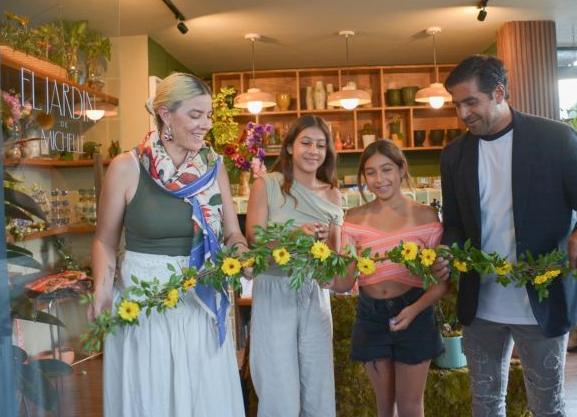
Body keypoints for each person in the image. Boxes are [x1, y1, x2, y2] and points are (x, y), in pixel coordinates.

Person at [434, 55, 577, 417]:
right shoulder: (453, 156)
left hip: (541, 303)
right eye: (456, 105)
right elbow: (453, 224)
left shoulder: (555, 138)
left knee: (547, 407)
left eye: (471, 102)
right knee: (484, 405)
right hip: (480, 305)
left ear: (499, 93)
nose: (462, 114)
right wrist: (448, 251)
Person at [87, 72, 246, 417]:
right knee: (153, 397)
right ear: (164, 113)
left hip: (199, 302)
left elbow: (233, 233)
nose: (205, 125)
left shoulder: (213, 168)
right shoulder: (127, 168)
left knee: (202, 400)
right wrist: (101, 291)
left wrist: (241, 252)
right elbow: (104, 240)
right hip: (145, 305)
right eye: (195, 115)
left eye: (208, 116)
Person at [330, 139, 447, 417]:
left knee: (410, 407)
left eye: (386, 170)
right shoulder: (353, 218)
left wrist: (413, 310)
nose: (379, 179)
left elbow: (441, 284)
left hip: (415, 314)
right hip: (371, 316)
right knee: (384, 408)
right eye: (371, 172)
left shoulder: (426, 217)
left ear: (401, 169)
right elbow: (345, 282)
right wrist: (320, 272)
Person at [245, 114, 343, 417]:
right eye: (306, 143)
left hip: (314, 293)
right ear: (289, 147)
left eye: (320, 145)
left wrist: (328, 245)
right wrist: (293, 236)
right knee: (278, 390)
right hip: (274, 288)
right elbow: (254, 237)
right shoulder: (267, 184)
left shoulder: (332, 192)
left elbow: (335, 257)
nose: (313, 151)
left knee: (318, 386)